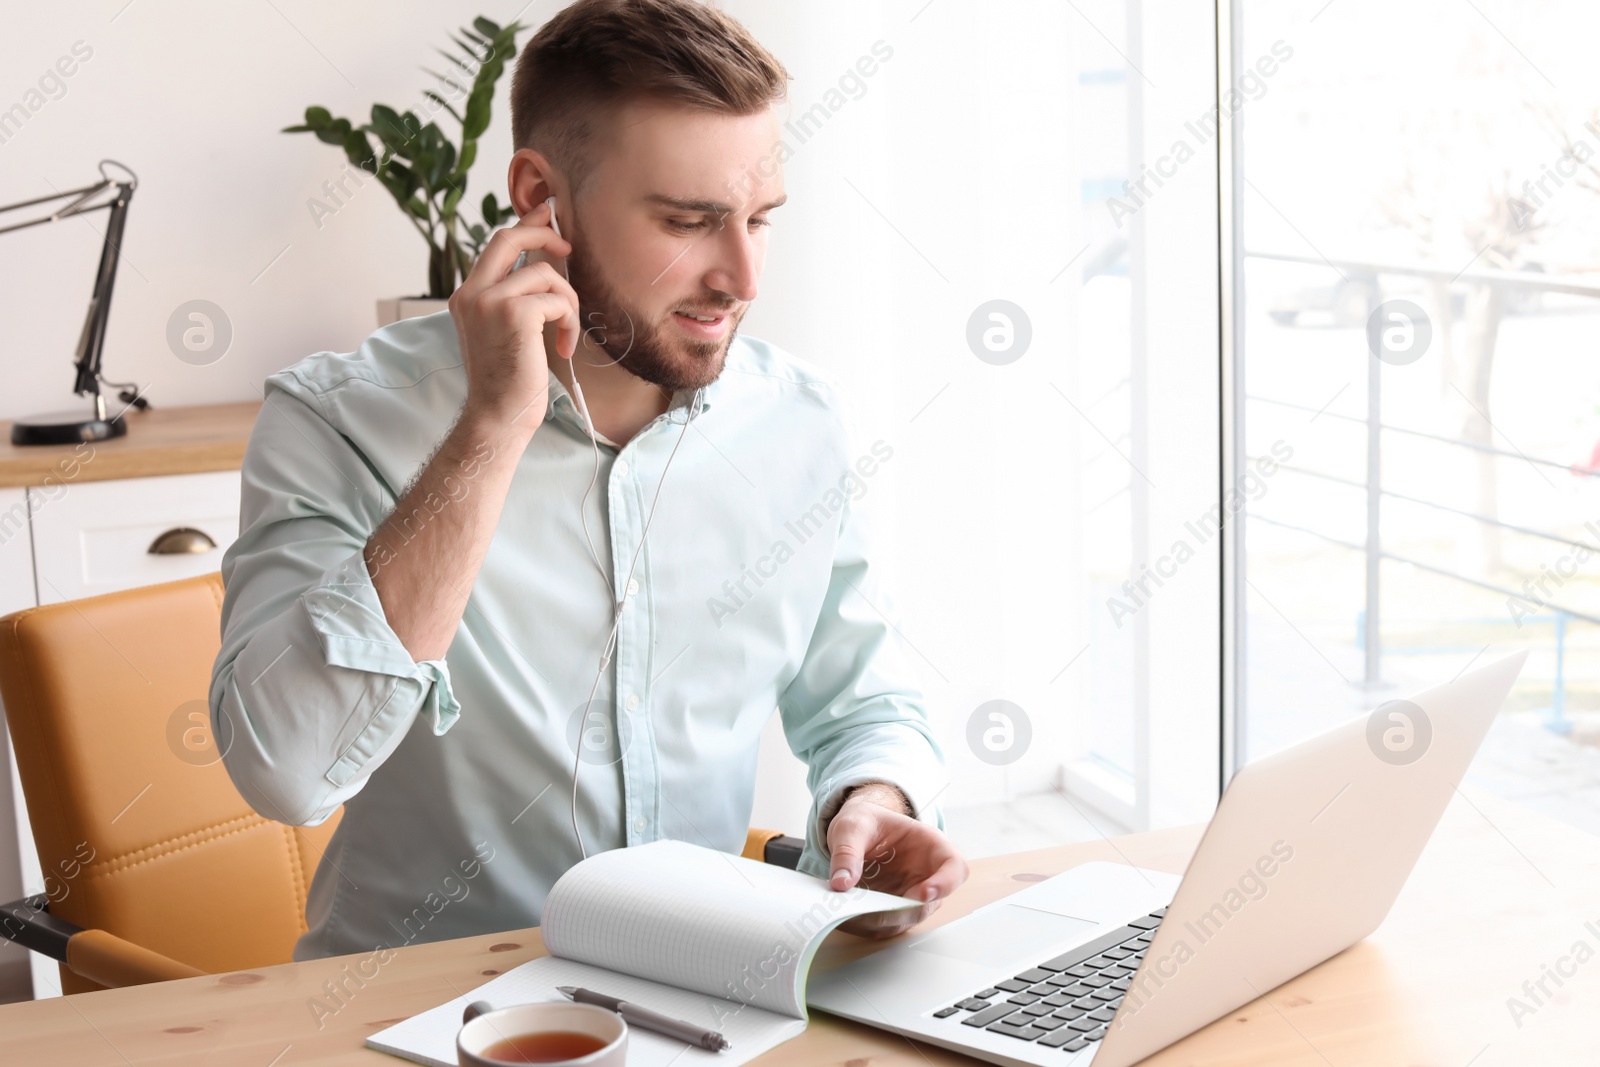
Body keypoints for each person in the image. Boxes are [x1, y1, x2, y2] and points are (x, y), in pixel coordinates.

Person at [210, 0, 967, 960]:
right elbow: (288, 771)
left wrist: (875, 798)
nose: (742, 277)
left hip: (700, 996)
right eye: (691, 222)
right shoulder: (339, 418)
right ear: (541, 199)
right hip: (417, 1015)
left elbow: (863, 699)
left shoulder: (795, 422)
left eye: (760, 220)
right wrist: (492, 429)